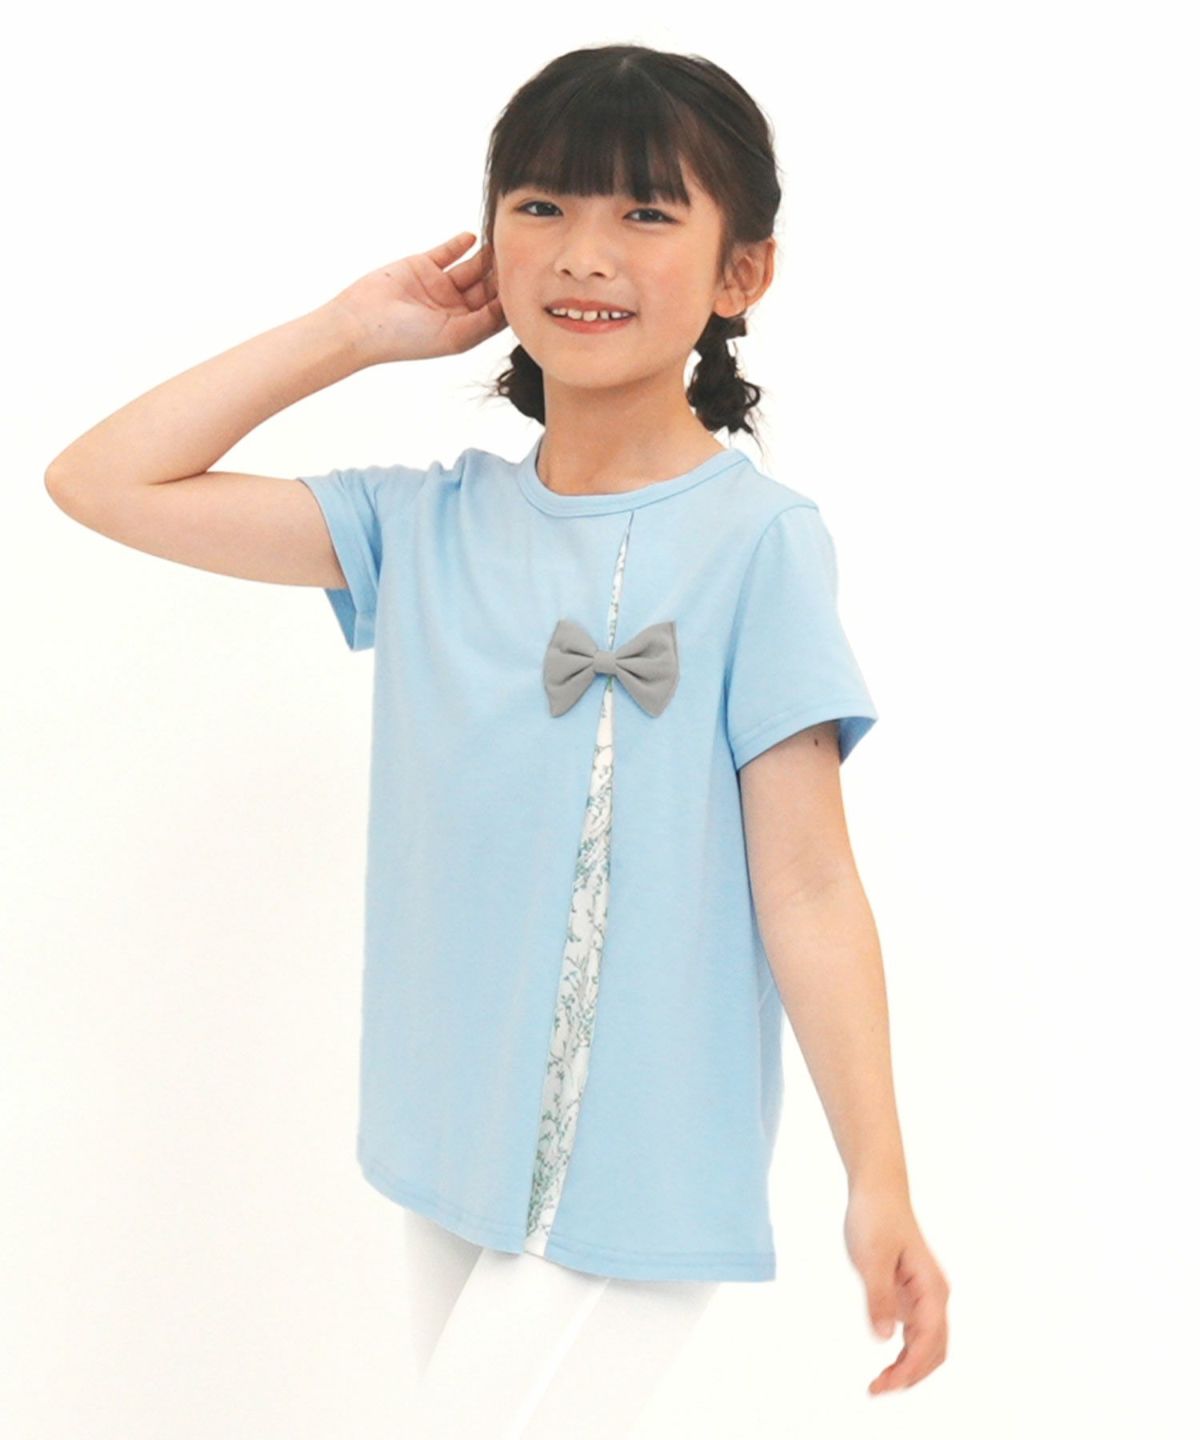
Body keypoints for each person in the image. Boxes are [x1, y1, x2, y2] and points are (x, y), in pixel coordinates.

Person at [44, 40, 949, 1432]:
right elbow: (100, 480)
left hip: (639, 1164)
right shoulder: (422, 526)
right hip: (450, 1140)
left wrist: (876, 1173)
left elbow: (811, 882)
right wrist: (351, 331)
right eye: (541, 205)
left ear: (741, 273)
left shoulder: (760, 545)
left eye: (644, 212)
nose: (585, 251)